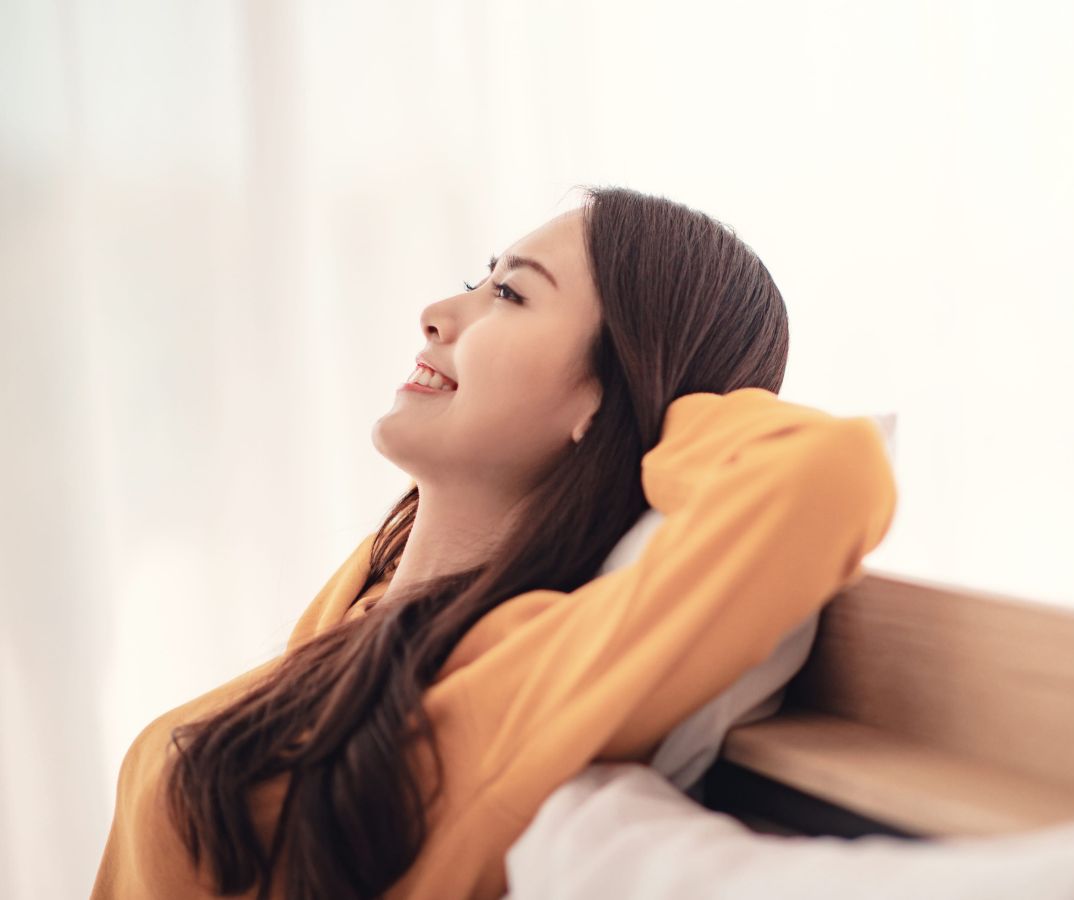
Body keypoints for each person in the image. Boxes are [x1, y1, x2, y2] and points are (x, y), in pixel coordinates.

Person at [90, 185, 899, 899]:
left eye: (509, 295)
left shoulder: (522, 667)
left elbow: (829, 472)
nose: (439, 312)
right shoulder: (371, 598)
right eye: (481, 278)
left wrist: (665, 414)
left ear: (605, 394)